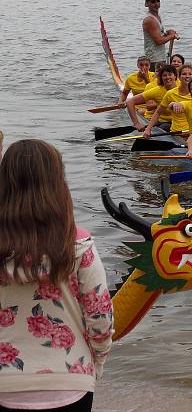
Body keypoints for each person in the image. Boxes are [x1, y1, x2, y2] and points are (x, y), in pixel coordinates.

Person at [0, 139, 113, 411]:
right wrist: (95, 364)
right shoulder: (78, 245)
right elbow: (99, 319)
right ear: (57, 183)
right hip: (71, 382)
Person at [142, 64, 192, 136]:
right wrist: (148, 129)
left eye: (190, 74)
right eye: (184, 74)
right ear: (178, 76)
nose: (187, 76)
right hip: (177, 131)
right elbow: (158, 112)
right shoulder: (170, 93)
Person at [126, 65, 178, 131]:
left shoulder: (181, 87)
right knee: (165, 127)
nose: (167, 77)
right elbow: (130, 102)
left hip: (181, 122)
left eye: (170, 75)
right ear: (161, 78)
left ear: (175, 76)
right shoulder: (157, 90)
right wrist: (136, 123)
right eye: (164, 75)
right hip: (164, 122)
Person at [142, 0, 178, 65]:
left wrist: (166, 34)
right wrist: (171, 36)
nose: (156, 4)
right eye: (152, 1)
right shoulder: (150, 20)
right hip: (153, 60)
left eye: (157, 1)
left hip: (160, 57)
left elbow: (158, 36)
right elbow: (159, 41)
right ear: (146, 4)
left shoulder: (157, 17)